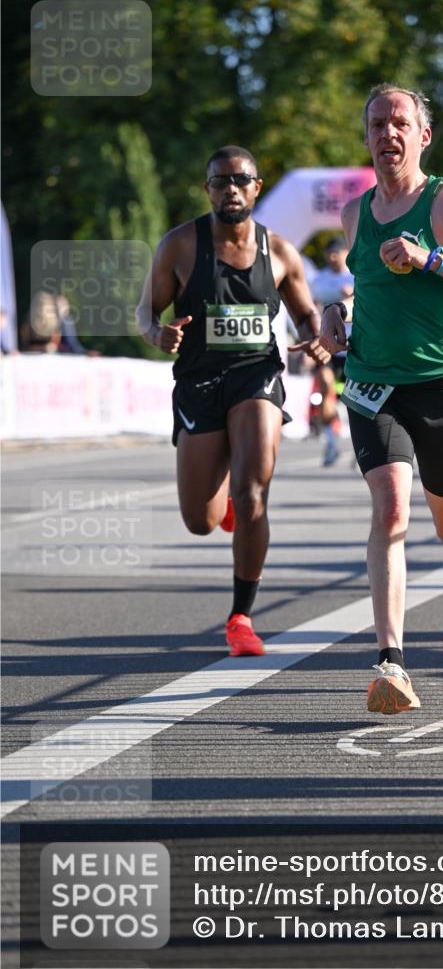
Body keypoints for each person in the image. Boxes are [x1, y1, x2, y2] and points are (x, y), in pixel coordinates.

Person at [318, 83, 443, 715]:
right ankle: (391, 662)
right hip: (373, 386)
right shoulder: (354, 215)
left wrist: (433, 259)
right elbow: (367, 287)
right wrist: (334, 312)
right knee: (391, 513)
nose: (388, 134)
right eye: (377, 124)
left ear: (422, 135)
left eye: (400, 123)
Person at [136, 145, 329, 655]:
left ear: (256, 187)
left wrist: (315, 336)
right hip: (199, 381)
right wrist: (158, 335)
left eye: (240, 180)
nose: (231, 190)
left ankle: (241, 616)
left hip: (255, 375)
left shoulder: (281, 252)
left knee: (252, 496)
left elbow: (308, 313)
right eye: (220, 181)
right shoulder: (179, 246)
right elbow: (145, 313)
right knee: (199, 521)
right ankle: (223, 497)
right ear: (208, 189)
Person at [309, 237, 355, 465]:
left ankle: (360, 447)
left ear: (346, 253)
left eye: (337, 253)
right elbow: (309, 310)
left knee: (355, 399)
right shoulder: (319, 280)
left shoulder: (356, 276)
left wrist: (350, 295)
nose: (333, 258)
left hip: (354, 347)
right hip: (328, 347)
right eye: (330, 254)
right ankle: (331, 443)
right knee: (326, 387)